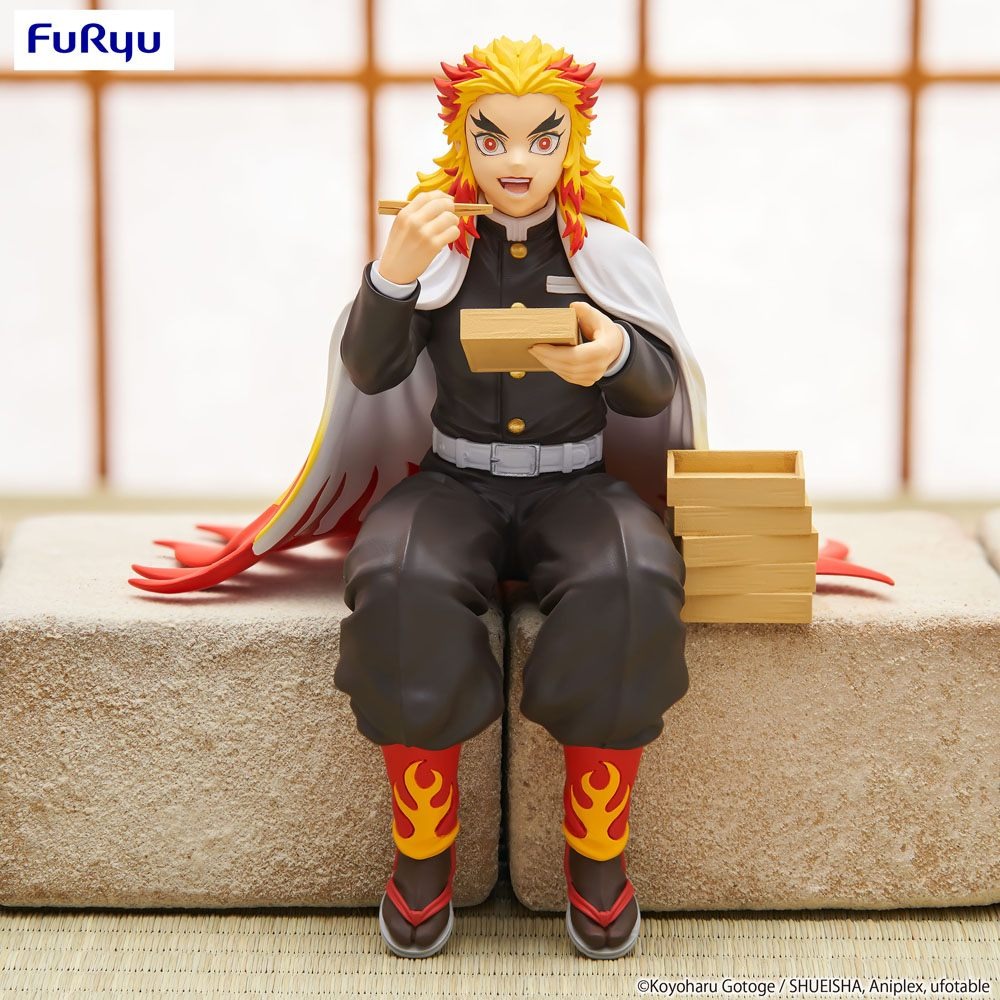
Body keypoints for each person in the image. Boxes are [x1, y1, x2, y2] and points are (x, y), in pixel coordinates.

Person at [129, 34, 708, 961]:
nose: (515, 160)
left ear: (571, 144)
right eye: (492, 137)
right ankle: (423, 845)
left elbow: (657, 387)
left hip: (577, 482)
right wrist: (393, 277)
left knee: (636, 578)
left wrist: (616, 356)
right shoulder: (436, 245)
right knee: (398, 578)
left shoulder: (607, 253)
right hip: (453, 480)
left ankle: (598, 848)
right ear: (461, 139)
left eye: (540, 138)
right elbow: (371, 368)